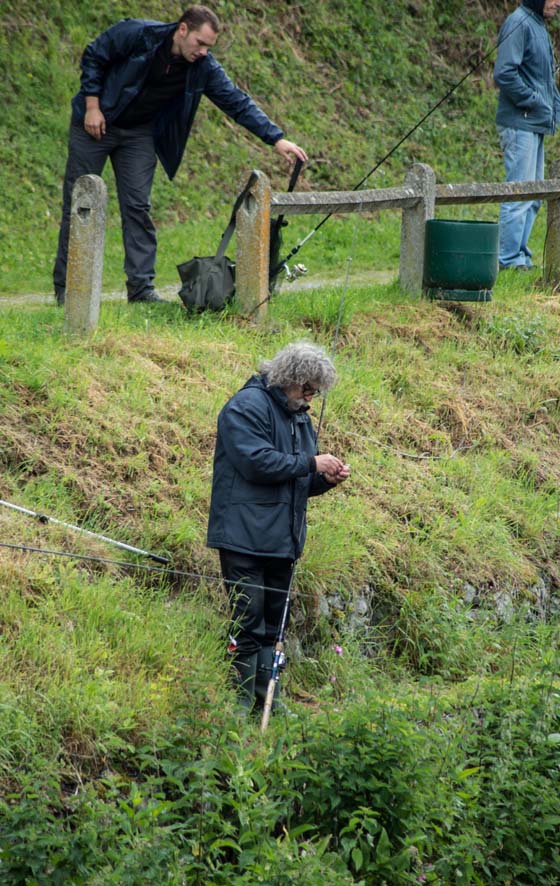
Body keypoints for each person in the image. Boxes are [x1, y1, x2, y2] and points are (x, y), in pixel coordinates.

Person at [53, 5, 307, 304]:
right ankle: (68, 291)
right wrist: (93, 106)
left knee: (138, 207)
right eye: (200, 43)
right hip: (94, 125)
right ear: (182, 29)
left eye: (209, 47)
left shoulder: (203, 67)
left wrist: (276, 139)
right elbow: (95, 55)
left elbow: (236, 102)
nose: (203, 52)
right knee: (81, 205)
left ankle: (141, 290)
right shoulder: (138, 34)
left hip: (139, 135)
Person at [207, 342, 350, 713]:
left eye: (315, 392)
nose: (310, 399)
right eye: (308, 389)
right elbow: (258, 463)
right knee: (248, 621)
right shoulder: (245, 407)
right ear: (290, 379)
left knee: (275, 627)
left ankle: (267, 700)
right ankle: (239, 702)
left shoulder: (298, 415)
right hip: (243, 537)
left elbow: (297, 477)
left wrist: (325, 479)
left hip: (282, 541)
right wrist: (310, 463)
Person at [494, 0, 560, 270]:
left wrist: (552, 106)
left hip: (534, 124)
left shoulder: (538, 25)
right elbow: (505, 73)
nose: (558, 3)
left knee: (533, 196)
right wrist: (534, 100)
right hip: (519, 123)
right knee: (518, 194)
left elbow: (543, 77)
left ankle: (520, 256)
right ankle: (508, 260)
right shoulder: (519, 22)